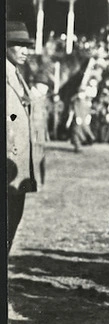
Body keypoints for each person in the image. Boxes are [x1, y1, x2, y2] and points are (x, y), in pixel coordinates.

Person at [6, 21, 46, 254]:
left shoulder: (17, 74)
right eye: (18, 44)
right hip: (9, 165)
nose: (25, 50)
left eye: (27, 45)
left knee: (12, 223)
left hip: (18, 169)